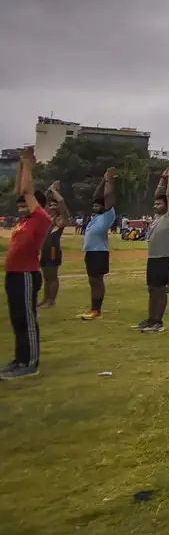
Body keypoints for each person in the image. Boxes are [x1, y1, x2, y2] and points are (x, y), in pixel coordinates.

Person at [3, 149, 53, 380]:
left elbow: (26, 190)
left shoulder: (41, 219)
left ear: (37, 205)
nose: (22, 209)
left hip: (26, 274)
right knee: (17, 318)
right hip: (13, 274)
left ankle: (30, 363)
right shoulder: (25, 221)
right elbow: (19, 191)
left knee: (27, 319)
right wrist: (21, 168)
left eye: (26, 205)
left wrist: (27, 164)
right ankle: (19, 359)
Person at [136, 167, 169, 334]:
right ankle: (151, 319)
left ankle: (158, 322)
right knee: (151, 289)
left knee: (160, 290)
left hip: (162, 258)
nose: (156, 205)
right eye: (155, 203)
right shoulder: (157, 218)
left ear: (167, 205)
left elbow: (168, 195)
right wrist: (161, 180)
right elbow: (158, 193)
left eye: (159, 203)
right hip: (153, 258)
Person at [78, 167, 117, 320]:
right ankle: (94, 308)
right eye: (93, 206)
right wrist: (102, 179)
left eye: (97, 206)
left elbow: (107, 195)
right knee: (92, 281)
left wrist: (109, 180)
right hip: (91, 253)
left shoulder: (108, 215)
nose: (94, 208)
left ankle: (96, 310)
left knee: (97, 281)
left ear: (104, 206)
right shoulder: (96, 217)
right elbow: (97, 195)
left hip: (99, 253)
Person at [38, 181, 70, 310]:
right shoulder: (45, 219)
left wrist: (54, 191)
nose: (51, 205)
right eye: (50, 204)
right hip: (44, 250)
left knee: (52, 276)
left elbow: (61, 202)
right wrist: (49, 191)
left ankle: (51, 300)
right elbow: (41, 204)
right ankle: (45, 299)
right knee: (45, 276)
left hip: (53, 250)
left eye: (53, 204)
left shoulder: (60, 219)